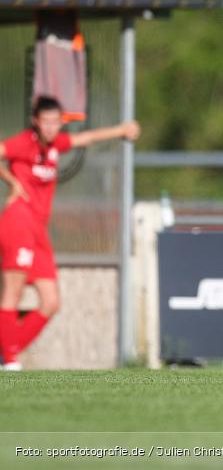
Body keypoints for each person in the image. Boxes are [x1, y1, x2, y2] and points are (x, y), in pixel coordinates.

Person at [0, 95, 140, 371]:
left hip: (39, 230)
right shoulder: (24, 142)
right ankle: (10, 359)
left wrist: (122, 131)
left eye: (56, 122)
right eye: (46, 121)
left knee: (51, 301)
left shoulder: (55, 146)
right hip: (18, 222)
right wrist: (12, 183)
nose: (51, 127)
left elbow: (84, 139)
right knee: (12, 294)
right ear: (35, 122)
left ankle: (7, 350)